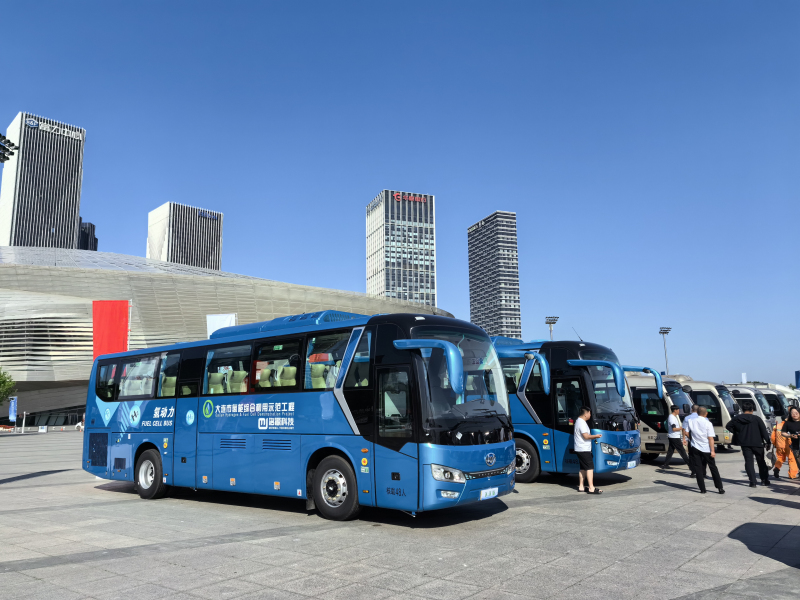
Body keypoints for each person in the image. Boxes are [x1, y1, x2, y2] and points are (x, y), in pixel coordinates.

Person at [725, 400, 771, 487]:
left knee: (748, 462)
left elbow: (728, 426)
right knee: (761, 461)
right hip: (758, 443)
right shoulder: (757, 419)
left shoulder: (737, 418)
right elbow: (764, 431)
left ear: (743, 409)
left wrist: (737, 433)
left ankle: (752, 482)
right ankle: (764, 480)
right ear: (752, 409)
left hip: (745, 443)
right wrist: (768, 442)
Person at [684, 406, 724, 494]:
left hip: (695, 447)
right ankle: (720, 488)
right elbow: (710, 438)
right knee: (713, 467)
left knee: (698, 468)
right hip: (706, 448)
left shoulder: (690, 421)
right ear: (706, 413)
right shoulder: (708, 423)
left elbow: (686, 432)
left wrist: (692, 439)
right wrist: (712, 451)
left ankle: (702, 489)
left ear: (697, 413)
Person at [574, 406, 603, 494]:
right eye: (590, 413)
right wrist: (596, 436)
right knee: (590, 467)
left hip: (579, 448)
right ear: (586, 414)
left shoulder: (578, 421)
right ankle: (591, 488)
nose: (590, 415)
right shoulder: (582, 423)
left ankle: (581, 487)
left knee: (583, 468)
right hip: (583, 449)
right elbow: (586, 436)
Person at [663, 404, 695, 476]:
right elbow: (674, 429)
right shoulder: (672, 418)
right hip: (674, 437)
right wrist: (681, 428)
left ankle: (665, 464)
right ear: (675, 410)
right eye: (678, 410)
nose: (679, 411)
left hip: (673, 436)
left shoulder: (673, 417)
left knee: (670, 451)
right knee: (682, 452)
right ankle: (691, 467)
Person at [771, 407, 799, 480]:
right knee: (792, 460)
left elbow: (773, 437)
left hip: (779, 446)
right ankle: (792, 475)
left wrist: (775, 444)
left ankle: (777, 468)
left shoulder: (777, 426)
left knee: (780, 458)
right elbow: (790, 436)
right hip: (788, 446)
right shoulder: (788, 425)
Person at [780, 405, 800, 476]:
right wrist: (790, 435)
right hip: (795, 446)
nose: (794, 414)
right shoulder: (788, 423)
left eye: (796, 412)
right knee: (798, 462)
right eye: (792, 413)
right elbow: (783, 433)